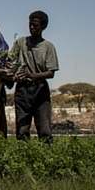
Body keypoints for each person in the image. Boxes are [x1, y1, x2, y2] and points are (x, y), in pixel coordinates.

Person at [7, 11, 59, 141]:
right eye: (30, 24)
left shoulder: (48, 47)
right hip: (22, 90)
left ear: (43, 27)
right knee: (22, 129)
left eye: (35, 25)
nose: (31, 28)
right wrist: (13, 76)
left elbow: (51, 73)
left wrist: (32, 75)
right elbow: (10, 62)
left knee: (44, 129)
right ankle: (24, 157)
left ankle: (46, 158)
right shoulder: (20, 42)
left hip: (40, 91)